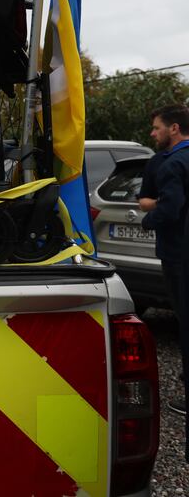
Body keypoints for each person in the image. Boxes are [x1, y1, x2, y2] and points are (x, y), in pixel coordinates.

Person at [139, 104, 189, 416]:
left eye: (157, 127)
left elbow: (169, 212)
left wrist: (147, 217)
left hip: (180, 256)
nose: (152, 133)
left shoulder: (172, 164)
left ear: (174, 128)